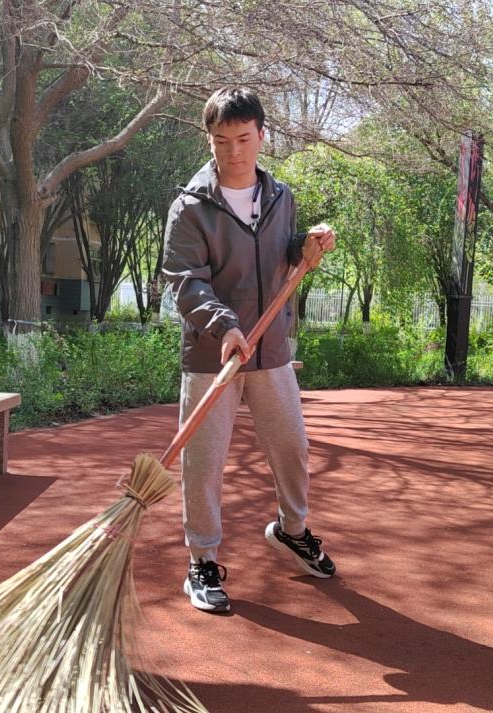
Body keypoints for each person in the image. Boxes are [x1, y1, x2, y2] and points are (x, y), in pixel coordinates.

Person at [161, 87, 337, 613]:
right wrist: (224, 327)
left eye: (243, 138)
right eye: (221, 141)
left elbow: (283, 254)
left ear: (262, 135)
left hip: (271, 349)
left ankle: (292, 530)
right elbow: (186, 280)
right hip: (213, 352)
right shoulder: (190, 208)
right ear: (209, 140)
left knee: (292, 447)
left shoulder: (281, 198)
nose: (233, 151)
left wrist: (306, 246)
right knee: (204, 461)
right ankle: (202, 559)